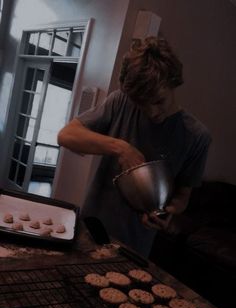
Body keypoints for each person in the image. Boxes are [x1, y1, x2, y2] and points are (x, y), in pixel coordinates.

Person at [58, 36, 211, 257]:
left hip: (135, 245)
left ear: (174, 83)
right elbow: (67, 135)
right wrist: (121, 147)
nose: (152, 112)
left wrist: (170, 211)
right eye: (141, 103)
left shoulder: (197, 137)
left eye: (159, 101)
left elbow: (183, 196)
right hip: (90, 230)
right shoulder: (120, 101)